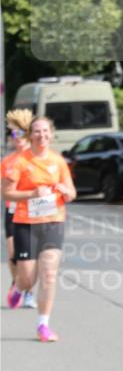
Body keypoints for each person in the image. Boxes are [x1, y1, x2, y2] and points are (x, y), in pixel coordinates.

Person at [1, 116, 77, 342]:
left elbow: (72, 193)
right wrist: (32, 194)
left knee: (49, 274)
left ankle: (43, 325)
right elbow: (7, 193)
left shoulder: (58, 161)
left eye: (45, 131)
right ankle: (18, 288)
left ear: (51, 134)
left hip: (54, 221)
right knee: (27, 279)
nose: (41, 135)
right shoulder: (19, 162)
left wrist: (66, 192)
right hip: (26, 223)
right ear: (30, 135)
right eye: (37, 131)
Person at [1, 109, 37, 309]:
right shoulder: (7, 161)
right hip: (12, 210)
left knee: (29, 256)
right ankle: (17, 284)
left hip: (34, 211)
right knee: (13, 253)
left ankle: (28, 291)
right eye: (13, 133)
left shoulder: (36, 158)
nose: (17, 137)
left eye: (21, 133)